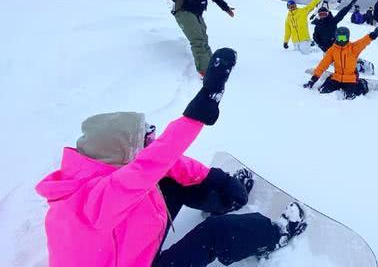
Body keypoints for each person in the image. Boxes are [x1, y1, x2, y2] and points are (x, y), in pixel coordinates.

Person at [35, 48, 307, 267]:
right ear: (121, 154)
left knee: (169, 183)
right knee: (215, 233)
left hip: (124, 249)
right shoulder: (89, 204)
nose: (151, 141)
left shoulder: (97, 171)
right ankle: (274, 235)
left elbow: (162, 165)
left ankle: (223, 201)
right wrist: (200, 109)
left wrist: (220, 182)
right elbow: (150, 165)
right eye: (145, 140)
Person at [303, 25, 378, 99]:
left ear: (348, 38)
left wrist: (373, 35)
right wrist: (313, 80)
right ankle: (330, 78)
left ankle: (363, 84)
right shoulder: (332, 50)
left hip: (350, 79)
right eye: (340, 38)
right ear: (336, 37)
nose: (341, 41)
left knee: (350, 96)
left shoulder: (353, 48)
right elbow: (323, 65)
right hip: (337, 77)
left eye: (344, 38)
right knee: (322, 91)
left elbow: (363, 42)